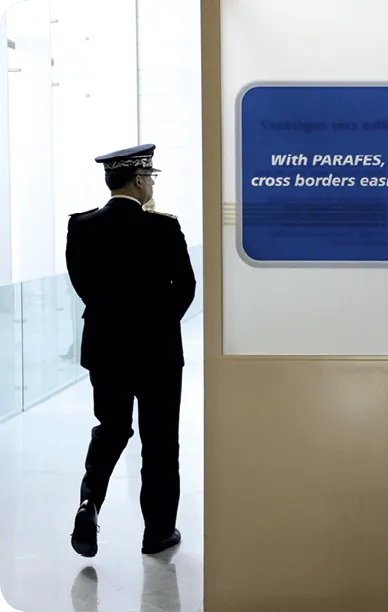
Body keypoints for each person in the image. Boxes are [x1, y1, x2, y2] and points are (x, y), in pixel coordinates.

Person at [65, 144, 196, 557]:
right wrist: (155, 323)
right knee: (159, 442)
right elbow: (186, 288)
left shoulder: (81, 227)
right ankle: (157, 533)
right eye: (151, 177)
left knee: (112, 428)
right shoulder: (164, 229)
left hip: (105, 348)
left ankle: (89, 504)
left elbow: (81, 284)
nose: (152, 183)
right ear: (140, 180)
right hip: (157, 353)